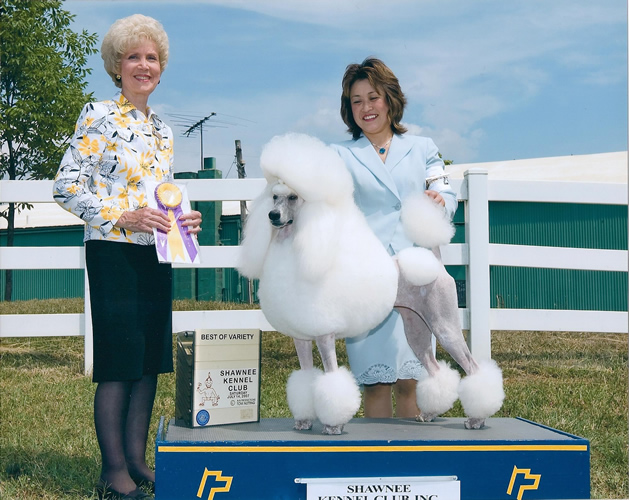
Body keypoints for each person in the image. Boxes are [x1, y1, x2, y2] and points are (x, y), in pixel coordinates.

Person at [53, 14, 201, 500]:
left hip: (156, 256)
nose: (144, 65)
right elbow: (66, 187)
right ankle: (111, 470)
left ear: (162, 67)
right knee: (119, 362)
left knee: (147, 361)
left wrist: (182, 224)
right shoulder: (98, 116)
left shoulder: (163, 130)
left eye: (152, 57)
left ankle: (137, 461)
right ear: (117, 66)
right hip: (113, 252)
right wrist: (124, 216)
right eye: (133, 56)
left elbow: (161, 198)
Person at [332, 57, 458, 419]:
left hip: (417, 275)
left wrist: (440, 201)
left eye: (373, 97)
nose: (366, 108)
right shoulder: (339, 155)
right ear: (348, 108)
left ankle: (413, 468)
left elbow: (444, 191)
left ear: (389, 99)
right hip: (366, 278)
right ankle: (375, 466)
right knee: (374, 383)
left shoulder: (424, 147)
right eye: (356, 101)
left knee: (411, 381)